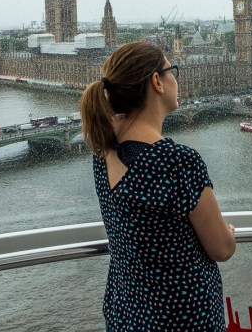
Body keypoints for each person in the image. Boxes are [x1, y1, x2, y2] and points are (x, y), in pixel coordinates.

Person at [81, 42, 236, 331]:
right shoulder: (178, 162)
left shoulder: (102, 151)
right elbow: (222, 249)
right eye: (172, 71)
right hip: (182, 318)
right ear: (157, 82)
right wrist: (228, 232)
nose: (176, 79)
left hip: (127, 314)